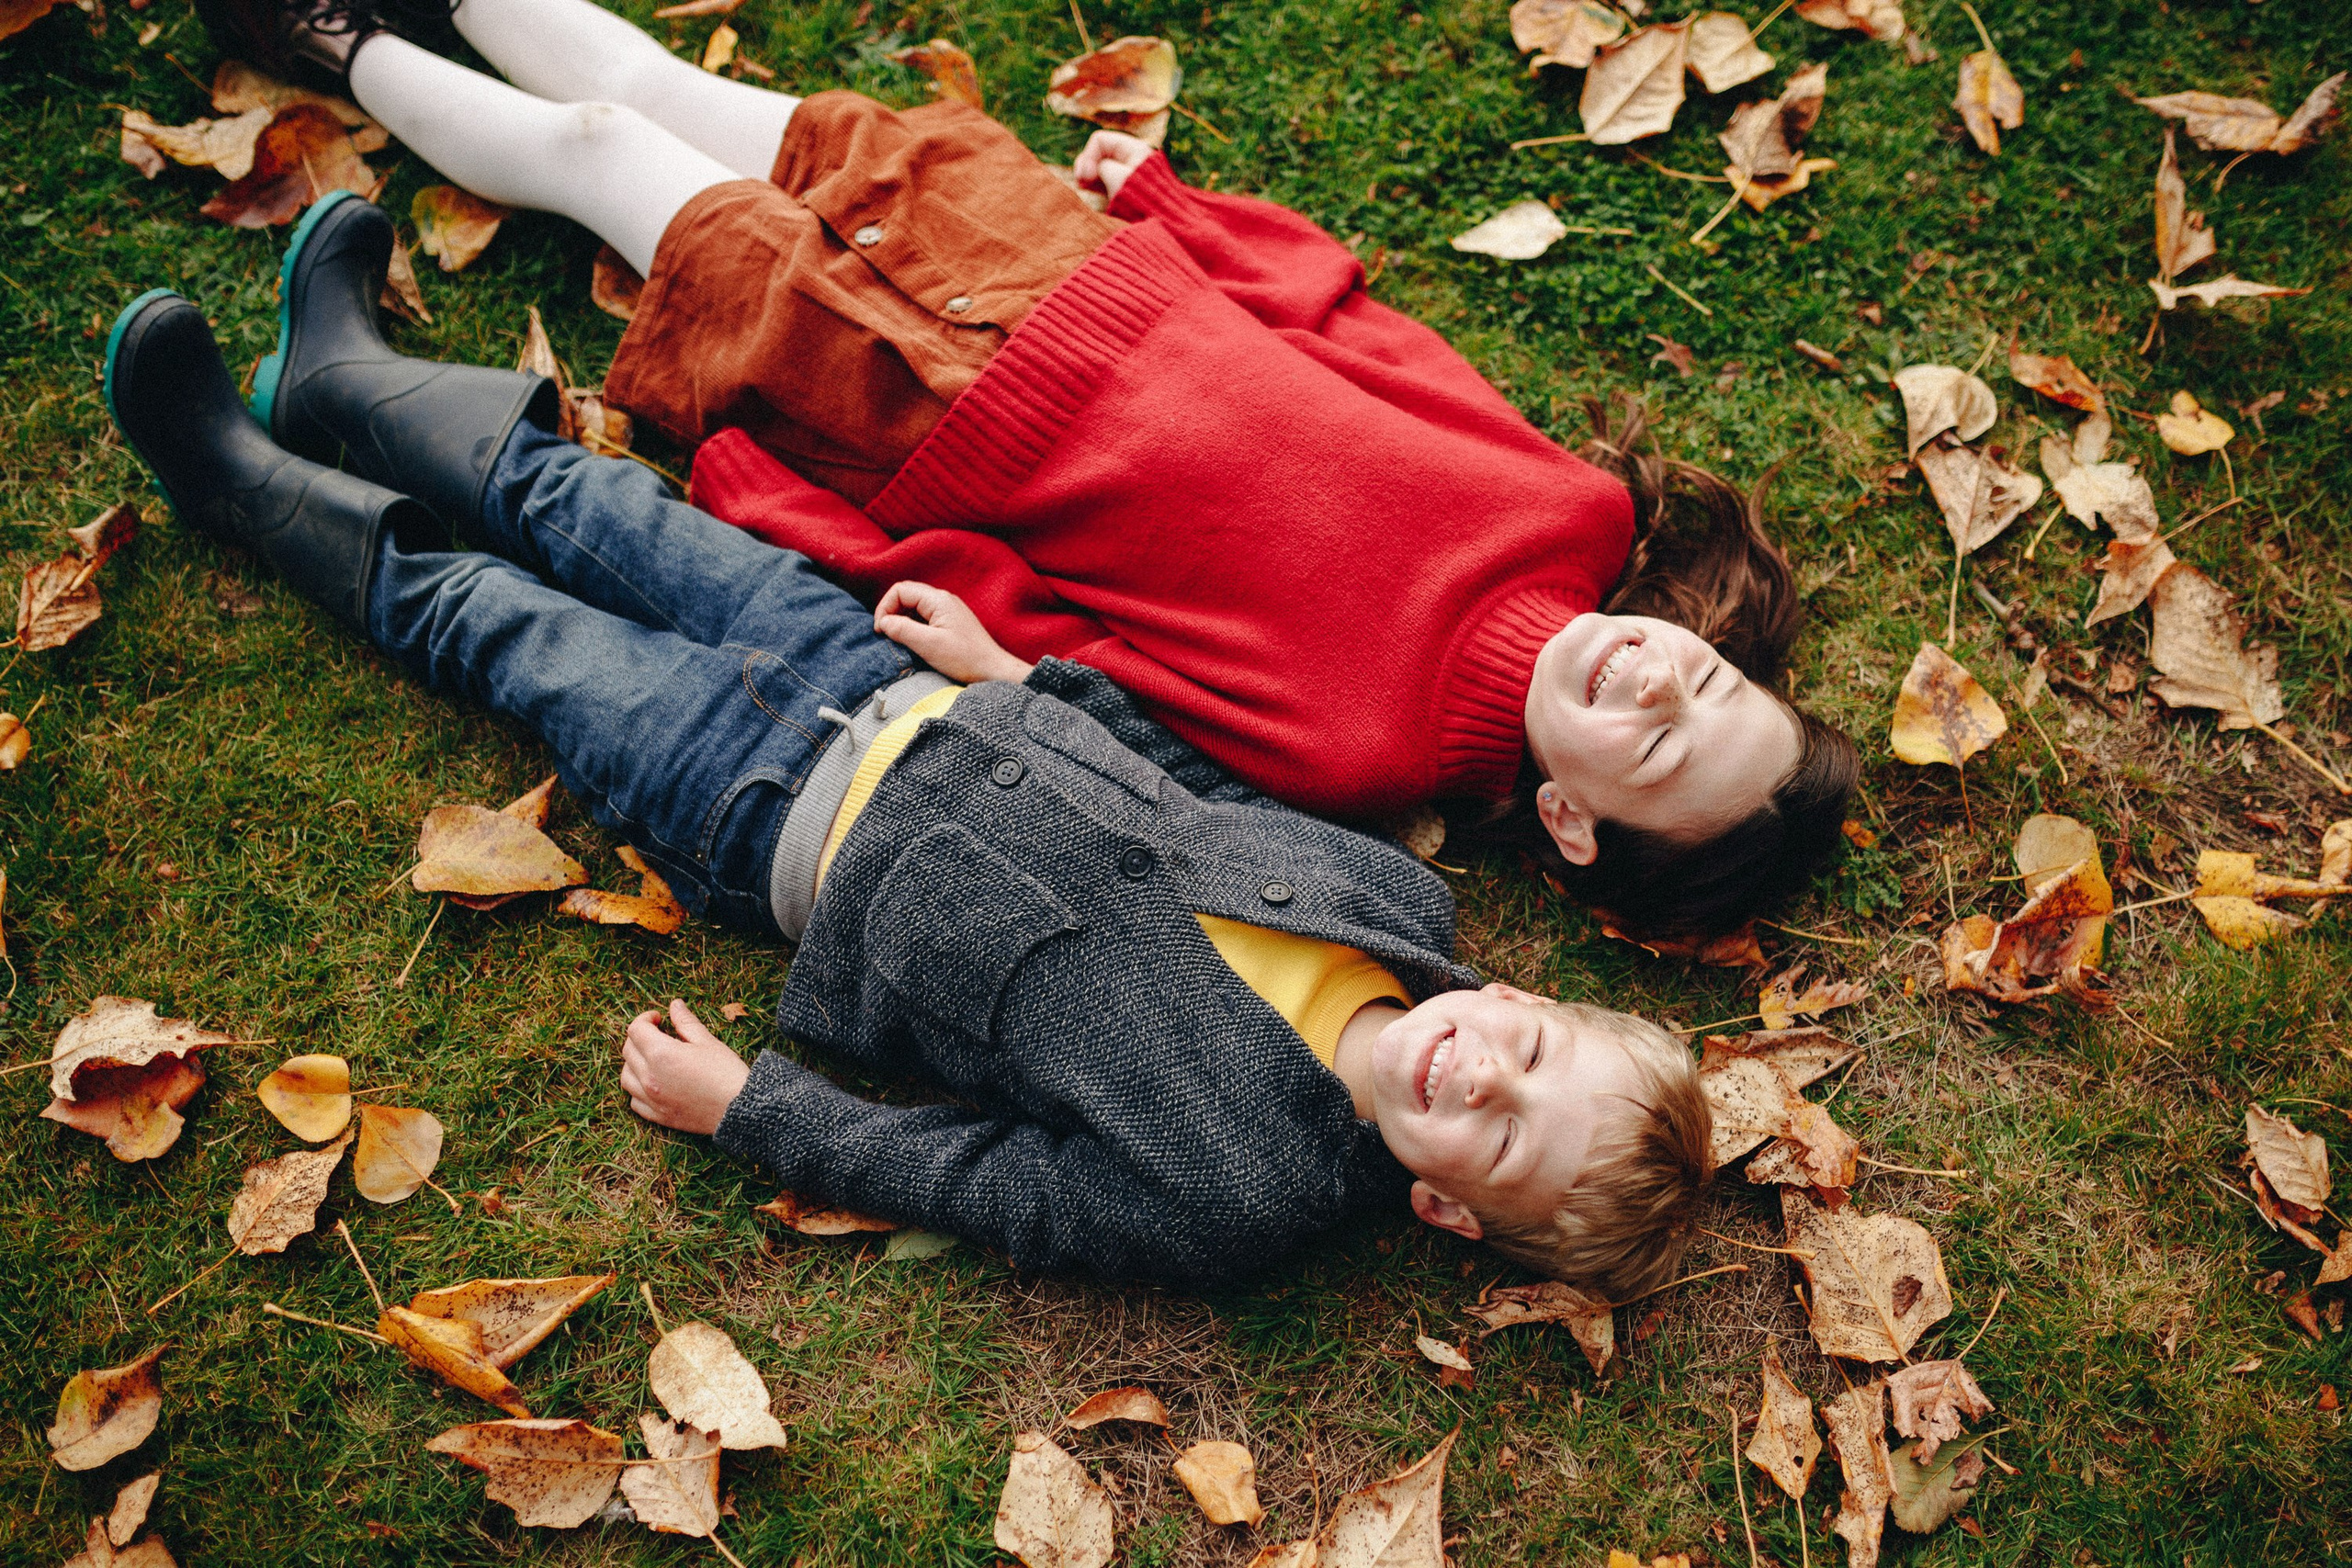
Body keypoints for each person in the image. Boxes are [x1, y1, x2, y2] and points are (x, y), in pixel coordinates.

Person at [101, 269, 1713, 1291]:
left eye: (1506, 1138)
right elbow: (1183, 774)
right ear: (1525, 999)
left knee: (501, 626)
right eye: (1531, 1050)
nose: (1482, 1077)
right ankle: (342, 377)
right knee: (596, 506)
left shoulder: (1245, 1195)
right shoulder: (1399, 902)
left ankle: (234, 476)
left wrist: (754, 1112)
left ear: (1446, 1213)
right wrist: (1012, 671)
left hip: (768, 817)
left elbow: (981, 1178)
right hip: (885, 680)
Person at [192, 0, 1861, 942]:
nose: (1660, 679)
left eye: (1661, 743)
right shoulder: (1571, 513)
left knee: (604, 152)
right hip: (1064, 261)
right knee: (672, 94)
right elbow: (1359, 337)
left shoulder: (1364, 756)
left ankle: (335, 43)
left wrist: (851, 538)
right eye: (1706, 679)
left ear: (1569, 822)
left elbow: (1087, 645)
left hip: (925, 412)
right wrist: (1182, 215)